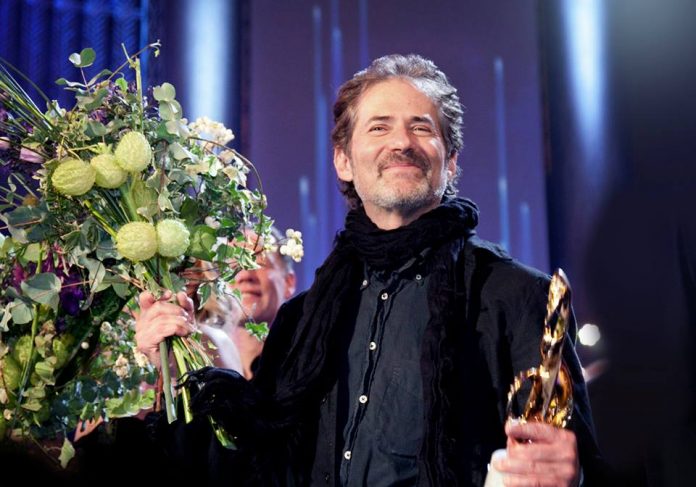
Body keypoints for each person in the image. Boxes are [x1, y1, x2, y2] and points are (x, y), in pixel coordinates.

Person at [136, 54, 604, 486]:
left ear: (451, 161)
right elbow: (248, 463)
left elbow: (574, 461)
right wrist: (172, 358)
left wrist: (573, 473)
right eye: (379, 127)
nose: (401, 142)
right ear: (343, 161)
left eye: (421, 127)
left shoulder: (519, 297)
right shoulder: (300, 322)